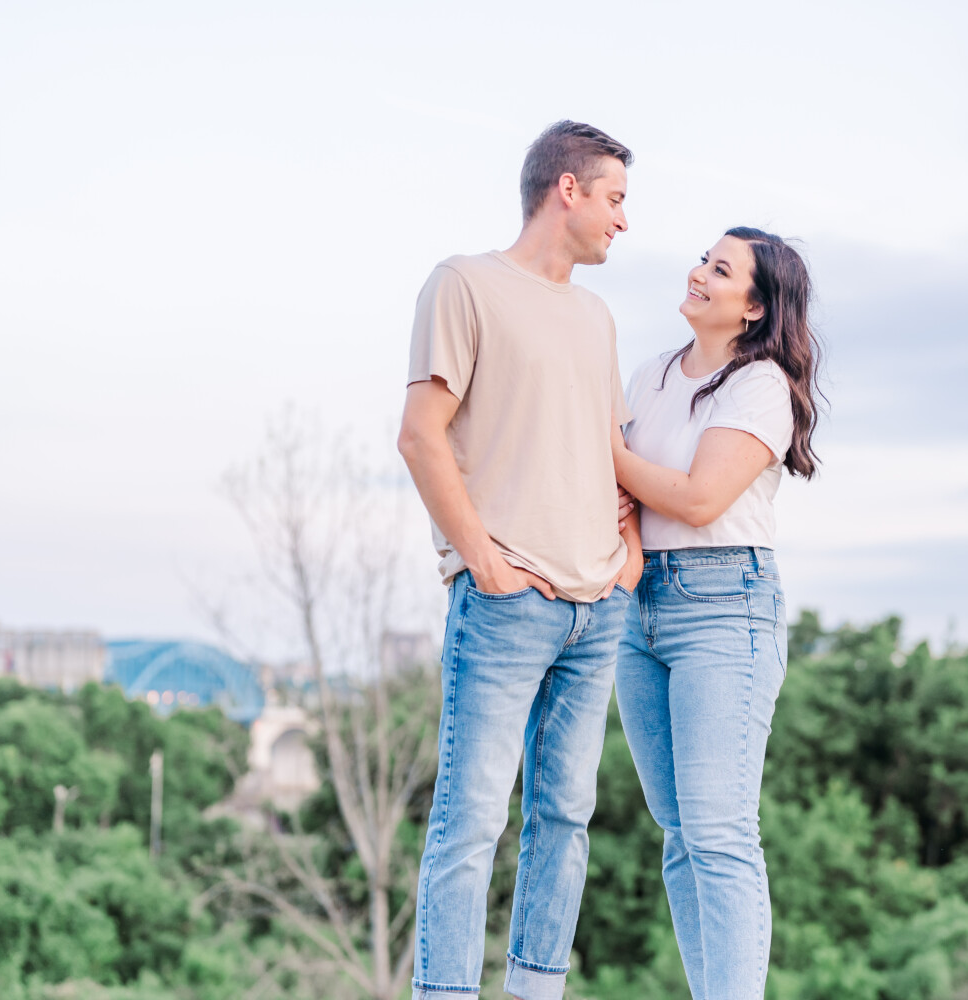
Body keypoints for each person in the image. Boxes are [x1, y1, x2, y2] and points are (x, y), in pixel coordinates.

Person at [397, 120, 643, 1000]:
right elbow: (420, 437)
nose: (624, 221)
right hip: (506, 603)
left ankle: (536, 991)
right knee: (471, 822)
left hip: (597, 606)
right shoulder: (464, 284)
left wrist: (631, 554)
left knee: (565, 819)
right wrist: (483, 566)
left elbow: (610, 453)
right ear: (566, 189)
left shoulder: (596, 316)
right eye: (614, 199)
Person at [611, 227, 823, 1000]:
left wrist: (604, 449)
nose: (698, 273)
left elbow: (700, 500)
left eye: (720, 269)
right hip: (640, 606)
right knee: (679, 837)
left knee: (720, 835)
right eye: (705, 259)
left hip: (722, 607)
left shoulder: (759, 383)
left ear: (755, 305)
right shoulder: (649, 375)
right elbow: (627, 500)